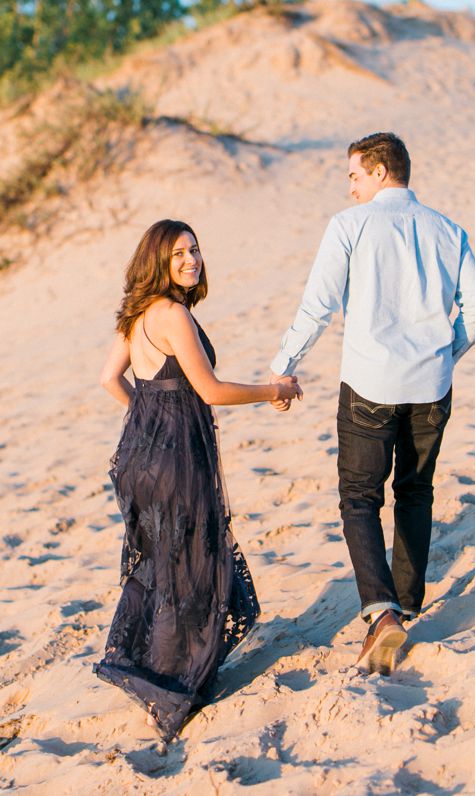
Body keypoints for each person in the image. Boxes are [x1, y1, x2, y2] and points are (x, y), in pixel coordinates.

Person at [269, 132, 475, 675]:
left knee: (359, 498)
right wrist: (444, 355)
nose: (349, 187)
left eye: (353, 175)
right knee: (416, 491)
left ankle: (382, 614)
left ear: (378, 171)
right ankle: (410, 601)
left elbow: (319, 304)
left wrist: (283, 365)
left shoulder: (351, 225)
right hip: (431, 387)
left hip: (369, 384)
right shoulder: (448, 229)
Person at [94, 220, 301, 741]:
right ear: (158, 261)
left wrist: (149, 424)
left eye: (195, 249)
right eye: (178, 253)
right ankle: (167, 688)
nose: (191, 259)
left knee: (166, 565)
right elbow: (209, 390)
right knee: (189, 569)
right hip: (177, 462)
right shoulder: (173, 315)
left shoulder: (137, 316)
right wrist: (272, 389)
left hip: (143, 459)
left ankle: (155, 676)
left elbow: (109, 380)